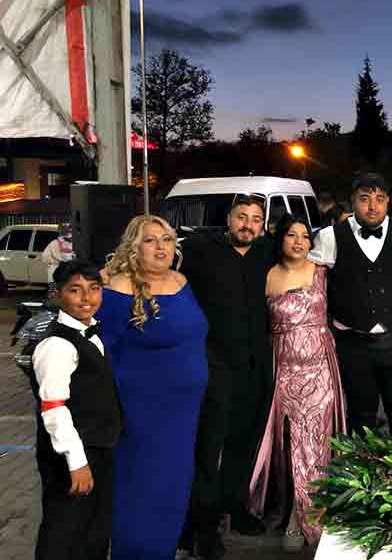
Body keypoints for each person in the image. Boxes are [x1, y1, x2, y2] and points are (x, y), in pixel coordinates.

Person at [97, 215, 208, 560]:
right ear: (134, 247)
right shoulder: (118, 289)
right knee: (142, 488)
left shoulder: (181, 281)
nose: (161, 247)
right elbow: (101, 352)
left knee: (174, 487)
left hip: (184, 413)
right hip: (142, 415)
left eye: (167, 239)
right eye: (150, 240)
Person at [180, 195, 276, 558]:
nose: (247, 224)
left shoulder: (266, 252)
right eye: (242, 217)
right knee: (209, 447)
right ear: (229, 219)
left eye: (255, 219)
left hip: (254, 366)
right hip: (214, 365)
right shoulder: (201, 250)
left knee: (242, 442)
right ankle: (203, 525)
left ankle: (236, 505)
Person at [248, 214, 346, 550]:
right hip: (285, 371)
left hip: (321, 369)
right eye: (292, 235)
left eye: (305, 236)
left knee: (317, 442)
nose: (299, 242)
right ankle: (293, 511)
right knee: (292, 443)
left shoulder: (323, 273)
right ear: (281, 239)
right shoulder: (266, 276)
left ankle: (313, 513)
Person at [310, 173, 392, 437]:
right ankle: (363, 464)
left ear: (388, 201)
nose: (372, 206)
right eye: (364, 199)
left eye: (379, 199)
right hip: (353, 346)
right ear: (352, 201)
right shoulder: (329, 237)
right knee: (360, 419)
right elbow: (307, 277)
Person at [24, 260, 119, 560]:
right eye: (75, 290)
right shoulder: (56, 345)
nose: (86, 298)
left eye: (94, 289)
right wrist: (76, 461)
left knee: (94, 531)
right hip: (72, 454)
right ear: (58, 294)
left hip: (98, 447)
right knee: (63, 532)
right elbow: (53, 408)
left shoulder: (91, 333)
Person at [42, 224, 75, 291]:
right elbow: (45, 257)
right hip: (58, 272)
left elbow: (45, 257)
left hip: (63, 273)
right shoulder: (54, 243)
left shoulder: (55, 243)